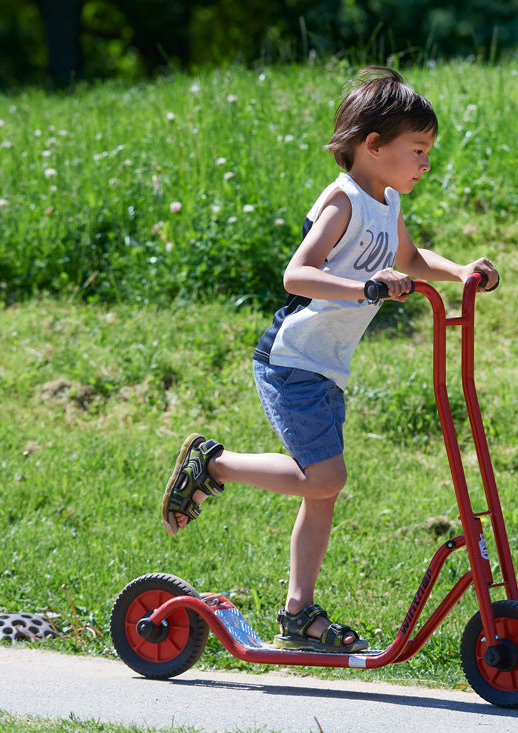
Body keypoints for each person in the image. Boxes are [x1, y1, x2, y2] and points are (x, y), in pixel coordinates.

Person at [160, 66, 499, 654]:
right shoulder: (342, 200)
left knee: (322, 492)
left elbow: (413, 258)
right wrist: (369, 287)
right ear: (373, 146)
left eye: (427, 153)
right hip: (291, 358)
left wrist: (462, 271)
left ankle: (297, 615)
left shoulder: (387, 203)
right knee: (327, 478)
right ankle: (214, 465)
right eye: (417, 150)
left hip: (326, 366)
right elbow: (298, 273)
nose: (424, 164)